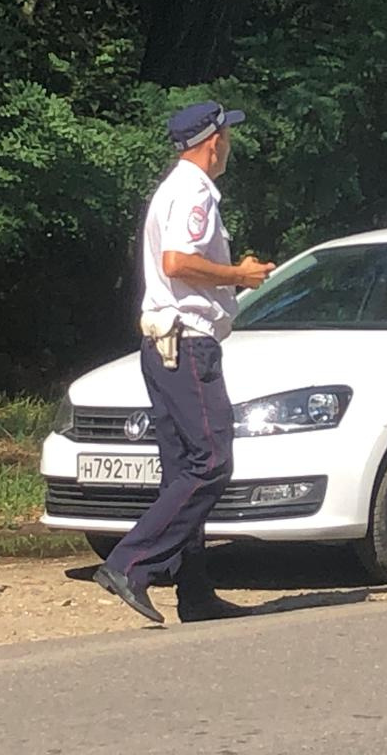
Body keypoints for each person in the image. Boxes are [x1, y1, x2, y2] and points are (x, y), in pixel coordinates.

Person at [95, 101, 274, 624]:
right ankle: (130, 562)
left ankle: (194, 591)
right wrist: (237, 275)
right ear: (213, 141)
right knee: (212, 460)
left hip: (163, 343)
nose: (229, 148)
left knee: (183, 469)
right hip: (188, 342)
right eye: (228, 138)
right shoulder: (194, 191)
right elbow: (178, 261)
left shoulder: (172, 188)